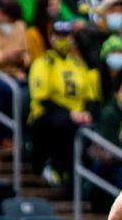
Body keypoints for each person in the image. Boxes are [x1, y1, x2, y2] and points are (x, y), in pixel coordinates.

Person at [28, 21, 99, 184]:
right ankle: (54, 167)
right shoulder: (43, 62)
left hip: (77, 116)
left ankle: (76, 178)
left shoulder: (78, 64)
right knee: (64, 125)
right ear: (51, 38)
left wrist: (86, 112)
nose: (63, 40)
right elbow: (42, 98)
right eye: (59, 36)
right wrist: (70, 114)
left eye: (66, 36)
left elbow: (90, 95)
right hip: (46, 115)